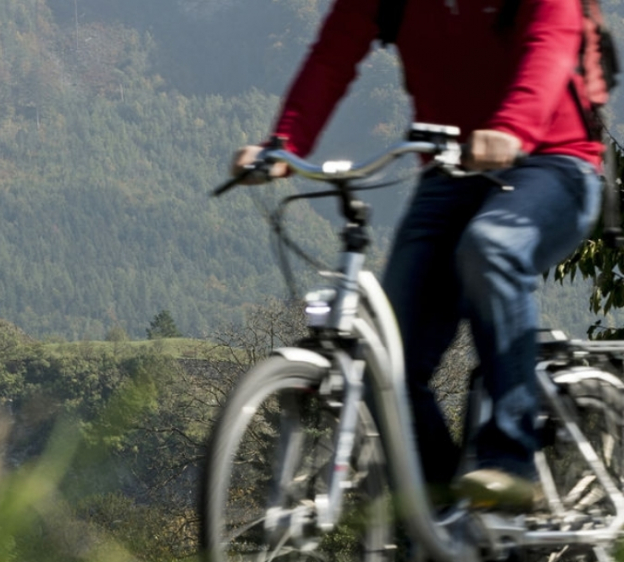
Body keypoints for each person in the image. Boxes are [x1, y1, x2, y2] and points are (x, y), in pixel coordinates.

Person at [232, 0, 604, 512]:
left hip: (554, 163)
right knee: (388, 365)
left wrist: (512, 127)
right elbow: (333, 55)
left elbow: (551, 39)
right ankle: (443, 520)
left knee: (491, 246)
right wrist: (283, 143)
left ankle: (510, 458)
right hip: (451, 172)